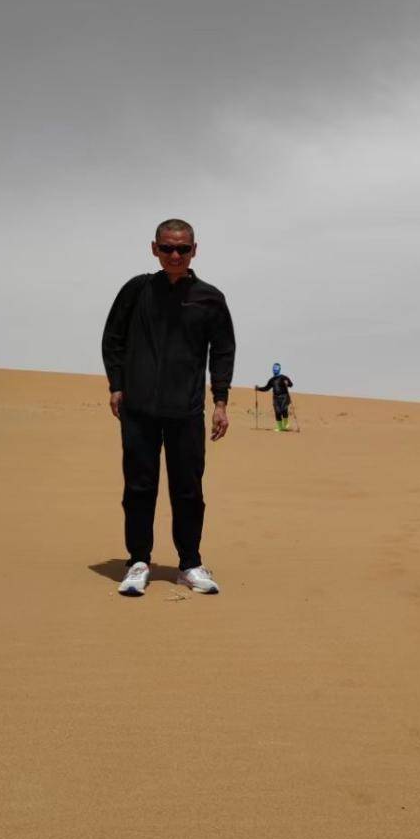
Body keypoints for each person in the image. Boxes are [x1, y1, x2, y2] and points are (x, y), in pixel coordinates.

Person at [101, 219, 235, 597]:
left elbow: (222, 351)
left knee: (188, 490)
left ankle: (189, 564)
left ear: (194, 250)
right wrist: (117, 385)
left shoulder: (209, 298)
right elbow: (113, 339)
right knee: (139, 487)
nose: (175, 255)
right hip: (139, 408)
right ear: (154, 248)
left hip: (186, 411)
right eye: (167, 248)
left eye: (182, 248)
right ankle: (138, 562)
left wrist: (220, 401)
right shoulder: (137, 290)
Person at [256, 363, 294, 432]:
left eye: (276, 368)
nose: (275, 370)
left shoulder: (283, 377)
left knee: (284, 409)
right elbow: (266, 388)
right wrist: (258, 388)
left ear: (279, 369)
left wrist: (287, 383)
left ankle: (286, 423)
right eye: (274, 368)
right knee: (277, 412)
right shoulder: (272, 380)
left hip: (284, 397)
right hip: (276, 398)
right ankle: (280, 427)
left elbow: (291, 384)